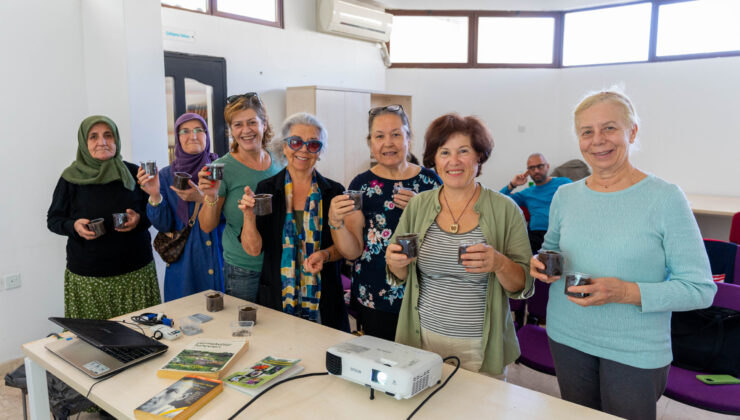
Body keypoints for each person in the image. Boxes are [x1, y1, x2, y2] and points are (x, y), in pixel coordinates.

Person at [530, 90, 716, 420]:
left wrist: (625, 292)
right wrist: (543, 263)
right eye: (586, 131)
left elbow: (700, 289)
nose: (597, 140)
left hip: (634, 349)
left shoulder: (665, 199)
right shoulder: (565, 196)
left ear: (632, 131)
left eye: (609, 128)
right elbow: (551, 248)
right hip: (567, 335)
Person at [386, 113, 533, 376]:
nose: (453, 161)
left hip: (480, 344)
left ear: (479, 156)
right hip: (423, 338)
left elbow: (522, 285)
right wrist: (394, 262)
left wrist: (498, 263)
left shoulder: (505, 209)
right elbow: (400, 274)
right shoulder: (419, 205)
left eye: (463, 151)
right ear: (435, 160)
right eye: (444, 153)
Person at [329, 104, 441, 340]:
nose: (387, 143)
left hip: (424, 294)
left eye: (396, 134)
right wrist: (335, 222)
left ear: (409, 138)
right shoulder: (360, 185)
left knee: (424, 366)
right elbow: (353, 251)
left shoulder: (430, 182)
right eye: (379, 136)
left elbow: (446, 238)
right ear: (370, 142)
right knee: (381, 365)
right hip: (374, 296)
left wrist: (421, 211)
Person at [238, 113, 350, 331]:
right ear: (285, 146)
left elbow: (346, 248)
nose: (304, 149)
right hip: (277, 299)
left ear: (320, 151)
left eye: (313, 144)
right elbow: (253, 250)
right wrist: (249, 216)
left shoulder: (334, 192)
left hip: (325, 302)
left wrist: (325, 254)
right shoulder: (267, 190)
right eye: (296, 142)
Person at [47, 115, 160, 319]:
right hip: (89, 279)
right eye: (94, 137)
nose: (102, 142)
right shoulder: (70, 178)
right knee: (94, 343)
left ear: (116, 140)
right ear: (83, 142)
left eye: (108, 135)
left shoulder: (134, 173)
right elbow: (53, 220)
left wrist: (139, 220)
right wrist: (74, 227)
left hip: (136, 274)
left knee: (141, 338)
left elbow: (153, 213)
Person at [198, 93, 282, 302]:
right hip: (243, 270)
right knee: (247, 329)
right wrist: (211, 195)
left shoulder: (280, 160)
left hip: (281, 263)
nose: (246, 131)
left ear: (264, 125)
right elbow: (207, 226)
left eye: (252, 122)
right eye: (238, 125)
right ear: (231, 130)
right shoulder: (221, 169)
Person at [138, 113, 224, 301]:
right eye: (184, 131)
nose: (192, 136)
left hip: (219, 257)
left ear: (207, 135)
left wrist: (203, 198)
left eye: (198, 130)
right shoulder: (167, 175)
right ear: (178, 139)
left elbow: (231, 214)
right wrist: (154, 195)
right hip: (185, 265)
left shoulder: (220, 170)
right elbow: (164, 225)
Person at [501, 153, 570, 253]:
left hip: (560, 232)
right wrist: (513, 184)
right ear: (528, 172)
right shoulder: (527, 193)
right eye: (532, 168)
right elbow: (500, 200)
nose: (536, 170)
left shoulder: (563, 183)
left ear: (547, 166)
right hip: (535, 235)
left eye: (540, 166)